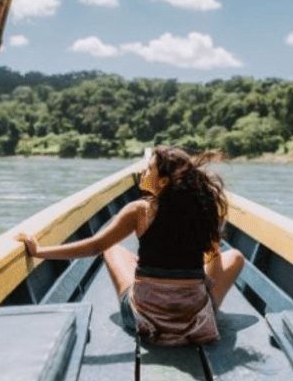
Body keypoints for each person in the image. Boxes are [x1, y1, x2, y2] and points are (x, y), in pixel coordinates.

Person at [18, 146, 245, 346]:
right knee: (234, 257)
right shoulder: (203, 210)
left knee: (113, 249)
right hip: (196, 322)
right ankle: (197, 307)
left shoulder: (140, 210)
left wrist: (39, 252)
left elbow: (94, 247)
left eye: (149, 169)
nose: (142, 172)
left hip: (146, 321)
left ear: (164, 181)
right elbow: (214, 265)